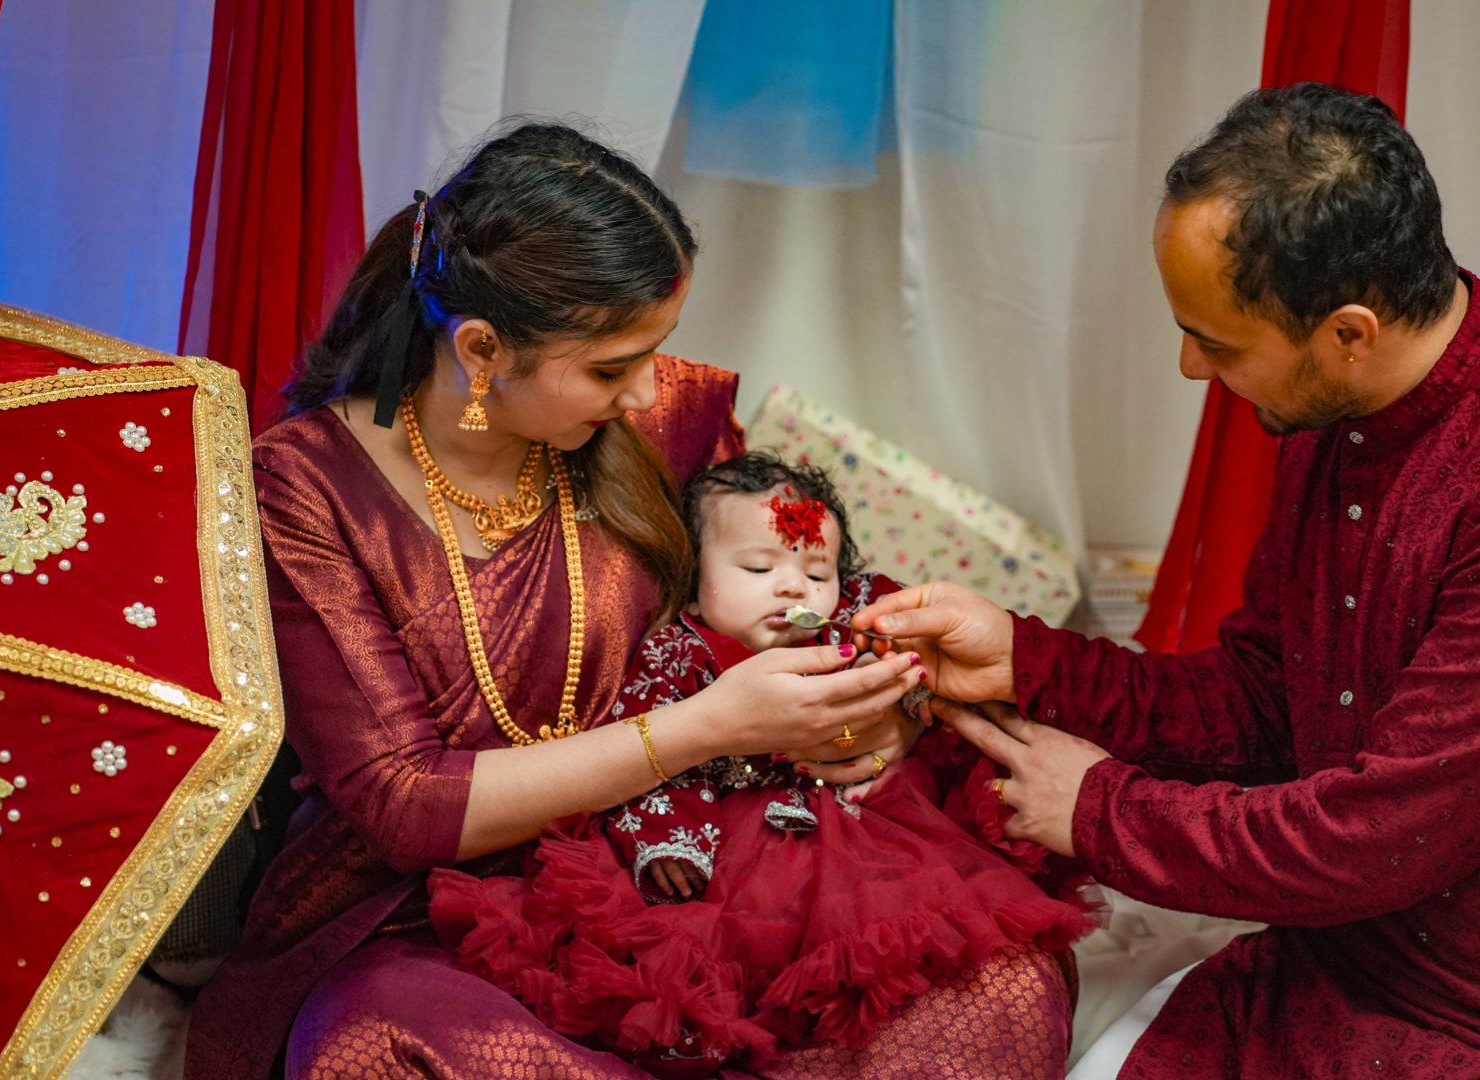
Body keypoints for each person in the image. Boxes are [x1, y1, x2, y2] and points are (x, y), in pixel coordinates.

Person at [854, 84, 1480, 1079]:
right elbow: (1269, 703)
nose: (1189, 366)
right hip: (1370, 959)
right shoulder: (1340, 415)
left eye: (1217, 342)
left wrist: (1098, 810)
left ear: (1348, 332)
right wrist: (1027, 659)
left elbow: (1381, 835)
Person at [185, 123, 1076, 1080]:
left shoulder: (668, 421)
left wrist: (870, 706)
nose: (648, 391)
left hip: (715, 869)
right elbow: (403, 805)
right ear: (481, 349)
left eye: (656, 353)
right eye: (611, 368)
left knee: (1000, 993)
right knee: (372, 1051)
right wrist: (707, 725)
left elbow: (785, 593)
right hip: (437, 919)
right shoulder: (304, 489)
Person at [429, 451, 1093, 1077]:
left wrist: (905, 694)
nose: (792, 585)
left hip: (868, 830)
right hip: (732, 841)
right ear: (694, 587)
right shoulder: (681, 654)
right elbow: (647, 748)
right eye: (757, 568)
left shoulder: (851, 632)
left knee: (927, 948)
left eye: (817, 574)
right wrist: (671, 840)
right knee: (713, 974)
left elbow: (919, 672)